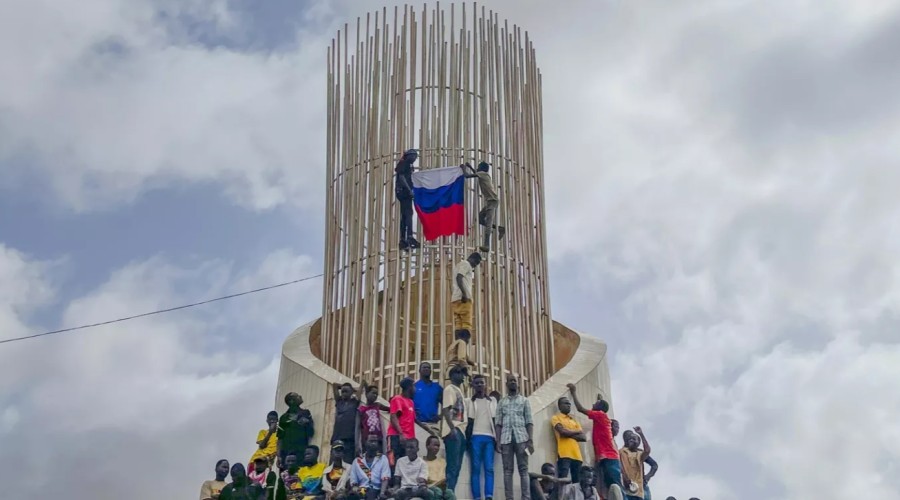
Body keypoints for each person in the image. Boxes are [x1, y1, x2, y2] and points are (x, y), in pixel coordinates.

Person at [566, 384, 621, 495]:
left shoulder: (600, 415)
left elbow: (580, 409)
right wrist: (599, 400)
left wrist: (573, 392)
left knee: (615, 485)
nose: (592, 404)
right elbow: (601, 406)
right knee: (607, 484)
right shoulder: (601, 416)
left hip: (609, 456)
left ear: (599, 408)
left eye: (595, 404)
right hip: (604, 457)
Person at [496, 374, 534, 500]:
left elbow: (529, 422)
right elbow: (498, 423)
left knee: (523, 470)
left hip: (522, 439)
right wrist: (498, 441)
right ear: (506, 384)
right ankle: (509, 498)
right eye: (510, 381)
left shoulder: (524, 401)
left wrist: (530, 440)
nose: (513, 383)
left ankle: (526, 498)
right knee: (507, 471)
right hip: (505, 439)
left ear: (517, 384)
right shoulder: (501, 402)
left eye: (514, 381)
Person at [461, 162, 505, 252]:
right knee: (480, 219)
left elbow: (467, 176)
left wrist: (463, 168)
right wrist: (470, 166)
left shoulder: (482, 174)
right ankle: (500, 228)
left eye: (478, 166)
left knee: (488, 223)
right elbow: (476, 173)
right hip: (490, 201)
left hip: (492, 201)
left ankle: (487, 245)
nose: (477, 168)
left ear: (481, 168)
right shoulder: (483, 174)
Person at [467, 374, 497, 500]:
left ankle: (489, 496)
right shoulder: (469, 401)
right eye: (477, 383)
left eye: (482, 383)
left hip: (490, 437)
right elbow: (468, 422)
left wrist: (498, 440)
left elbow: (496, 420)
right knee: (475, 468)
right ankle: (477, 497)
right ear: (473, 385)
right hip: (475, 437)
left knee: (489, 468)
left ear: (485, 385)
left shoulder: (492, 401)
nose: (480, 385)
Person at [388, 377, 430, 464]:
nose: (415, 389)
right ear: (410, 387)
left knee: (406, 462)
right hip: (397, 436)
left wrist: (427, 428)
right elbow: (394, 417)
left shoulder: (411, 402)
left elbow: (414, 419)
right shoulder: (397, 399)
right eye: (414, 387)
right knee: (394, 461)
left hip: (409, 438)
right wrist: (401, 434)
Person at [442, 364, 469, 493]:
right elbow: (446, 410)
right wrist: (452, 428)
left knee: (457, 466)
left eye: (463, 374)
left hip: (461, 431)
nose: (462, 376)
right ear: (452, 375)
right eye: (459, 373)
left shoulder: (460, 391)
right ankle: (448, 492)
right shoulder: (449, 389)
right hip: (454, 430)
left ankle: (450, 491)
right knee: (453, 465)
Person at [551, 397, 586, 482]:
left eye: (569, 404)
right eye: (566, 403)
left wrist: (568, 433)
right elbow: (562, 432)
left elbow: (583, 437)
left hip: (577, 456)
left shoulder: (574, 421)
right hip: (564, 454)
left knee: (577, 483)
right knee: (563, 481)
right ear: (559, 406)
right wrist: (576, 431)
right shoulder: (556, 418)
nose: (568, 405)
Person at [451, 252, 482, 346]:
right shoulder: (466, 264)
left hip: (455, 299)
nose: (475, 265)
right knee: (466, 324)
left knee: (458, 324)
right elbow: (459, 277)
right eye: (476, 262)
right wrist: (464, 294)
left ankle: (457, 346)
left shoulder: (458, 265)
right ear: (472, 258)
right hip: (464, 299)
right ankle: (462, 348)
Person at [348, 434, 392, 500]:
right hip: (362, 490)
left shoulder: (383, 458)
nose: (373, 443)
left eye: (375, 441)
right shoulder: (357, 461)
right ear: (365, 442)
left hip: (377, 490)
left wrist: (382, 493)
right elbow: (354, 482)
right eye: (371, 441)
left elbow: (385, 478)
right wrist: (357, 491)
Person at [278, 393, 315, 470]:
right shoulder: (283, 418)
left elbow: (311, 432)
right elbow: (280, 438)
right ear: (291, 401)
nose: (300, 396)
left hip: (300, 453)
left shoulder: (305, 413)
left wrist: (307, 423)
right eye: (297, 396)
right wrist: (279, 456)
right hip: (286, 454)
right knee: (286, 477)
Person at [395, 148, 420, 250]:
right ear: (408, 156)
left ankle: (402, 239)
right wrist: (409, 190)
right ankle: (409, 236)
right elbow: (401, 177)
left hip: (402, 192)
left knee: (405, 215)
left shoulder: (407, 165)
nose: (414, 158)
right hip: (404, 192)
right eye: (413, 156)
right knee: (409, 213)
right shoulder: (404, 163)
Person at [357, 383, 390, 456]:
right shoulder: (362, 409)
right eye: (373, 393)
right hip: (366, 440)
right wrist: (363, 383)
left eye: (376, 394)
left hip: (378, 439)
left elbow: (389, 409)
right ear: (367, 394)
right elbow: (359, 427)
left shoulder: (377, 405)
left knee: (378, 459)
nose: (375, 395)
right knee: (368, 459)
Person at [619, 428, 651, 500]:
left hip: (638, 492)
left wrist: (641, 434)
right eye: (630, 439)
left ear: (638, 442)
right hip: (626, 489)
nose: (631, 440)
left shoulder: (639, 454)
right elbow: (619, 465)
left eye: (634, 439)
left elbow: (647, 450)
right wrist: (624, 477)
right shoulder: (621, 452)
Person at [414, 362, 443, 435]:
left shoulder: (437, 387)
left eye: (428, 368)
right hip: (417, 424)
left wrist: (440, 416)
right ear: (419, 370)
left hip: (433, 425)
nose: (427, 369)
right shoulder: (414, 387)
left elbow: (447, 404)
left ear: (431, 371)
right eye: (424, 367)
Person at [332, 382, 361, 455]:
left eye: (346, 391)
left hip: (349, 438)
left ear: (351, 392)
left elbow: (361, 388)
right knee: (335, 461)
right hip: (337, 437)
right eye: (342, 392)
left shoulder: (354, 402)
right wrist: (345, 386)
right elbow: (334, 385)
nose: (344, 393)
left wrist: (352, 389)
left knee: (348, 461)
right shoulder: (339, 401)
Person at [424, 435, 456, 500]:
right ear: (427, 446)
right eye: (435, 445)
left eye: (438, 446)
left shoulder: (442, 461)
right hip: (429, 488)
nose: (436, 448)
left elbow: (443, 478)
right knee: (437, 492)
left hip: (441, 487)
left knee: (450, 493)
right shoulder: (422, 462)